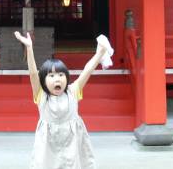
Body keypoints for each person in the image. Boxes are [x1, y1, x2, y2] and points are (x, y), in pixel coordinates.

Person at [14, 30, 109, 169]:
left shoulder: (73, 91)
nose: (57, 79)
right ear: (44, 81)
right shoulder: (41, 96)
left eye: (60, 74)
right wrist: (29, 48)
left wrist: (100, 53)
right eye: (51, 76)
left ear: (66, 77)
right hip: (48, 144)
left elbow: (87, 70)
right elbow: (33, 74)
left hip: (72, 142)